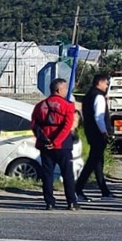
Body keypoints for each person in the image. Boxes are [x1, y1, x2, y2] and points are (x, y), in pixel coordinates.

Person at [31, 77, 79, 210]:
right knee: (67, 174)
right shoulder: (68, 105)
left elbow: (34, 125)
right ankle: (71, 202)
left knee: (47, 174)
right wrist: (56, 141)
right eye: (65, 88)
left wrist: (44, 140)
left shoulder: (40, 105)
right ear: (59, 90)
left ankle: (49, 202)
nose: (66, 90)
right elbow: (67, 126)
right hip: (62, 145)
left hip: (45, 145)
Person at [75, 74, 114, 202]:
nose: (107, 86)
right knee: (93, 162)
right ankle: (78, 188)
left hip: (90, 131)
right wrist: (104, 132)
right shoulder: (98, 96)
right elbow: (99, 116)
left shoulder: (88, 96)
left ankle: (104, 190)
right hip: (98, 133)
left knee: (97, 162)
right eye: (106, 83)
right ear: (100, 83)